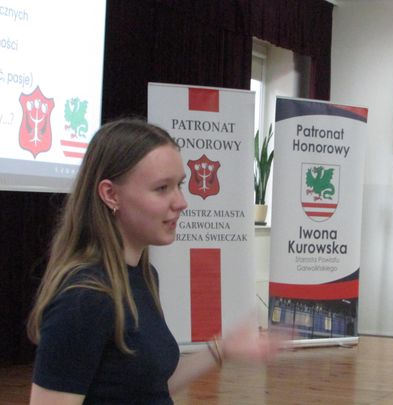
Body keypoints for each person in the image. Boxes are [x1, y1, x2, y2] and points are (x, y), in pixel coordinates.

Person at [27, 118, 276, 404]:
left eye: (179, 185)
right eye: (162, 188)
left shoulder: (143, 276)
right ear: (110, 194)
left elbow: (150, 387)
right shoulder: (85, 297)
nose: (181, 202)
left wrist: (222, 348)